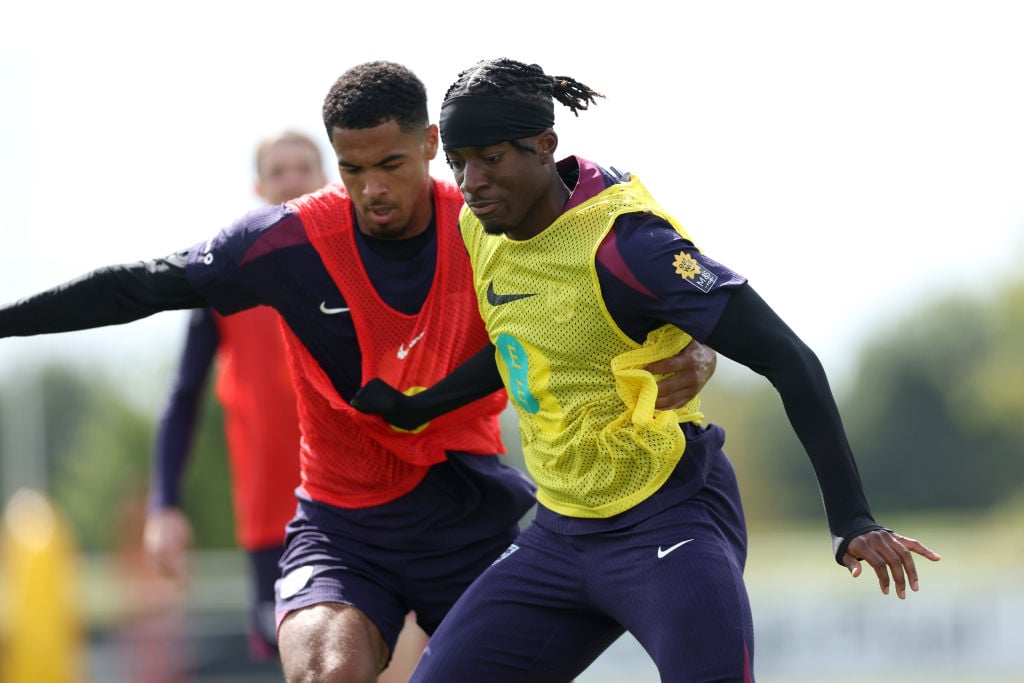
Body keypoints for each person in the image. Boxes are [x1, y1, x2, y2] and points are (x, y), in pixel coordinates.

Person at [0, 61, 717, 683]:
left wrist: (697, 349)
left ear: (431, 145)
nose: (372, 189)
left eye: (391, 165)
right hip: (343, 525)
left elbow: (622, 283)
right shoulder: (285, 241)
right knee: (326, 668)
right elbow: (141, 284)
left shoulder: (489, 225)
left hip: (471, 514)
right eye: (353, 170)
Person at [350, 58, 943, 683]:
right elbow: (523, 347)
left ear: (545, 147)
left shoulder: (629, 245)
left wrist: (850, 519)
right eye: (460, 162)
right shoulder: (480, 226)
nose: (471, 181)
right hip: (557, 535)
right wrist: (419, 407)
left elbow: (789, 359)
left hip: (667, 517)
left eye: (491, 158)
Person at [142, 130, 326, 662]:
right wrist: (164, 505)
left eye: (303, 166)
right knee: (304, 662)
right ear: (258, 186)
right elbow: (183, 396)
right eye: (278, 170)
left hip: (361, 503)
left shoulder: (362, 263)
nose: (292, 179)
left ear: (327, 178)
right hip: (272, 515)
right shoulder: (225, 281)